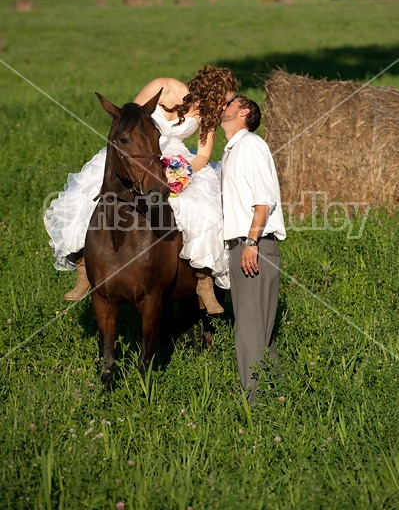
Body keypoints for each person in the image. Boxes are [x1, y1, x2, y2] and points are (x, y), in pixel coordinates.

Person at [44, 65, 238, 314]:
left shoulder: (207, 115)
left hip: (175, 161)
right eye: (225, 100)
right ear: (213, 91)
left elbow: (202, 156)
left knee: (201, 210)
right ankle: (84, 269)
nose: (224, 108)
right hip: (137, 153)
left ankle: (203, 280)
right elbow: (128, 122)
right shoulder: (164, 86)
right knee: (90, 196)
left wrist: (181, 172)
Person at [220, 94, 286, 404]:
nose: (224, 105)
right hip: (241, 247)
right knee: (258, 331)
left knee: (249, 329)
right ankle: (278, 399)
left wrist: (251, 242)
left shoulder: (251, 145)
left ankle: (252, 406)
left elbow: (264, 200)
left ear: (244, 112)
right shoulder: (232, 150)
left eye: (230, 102)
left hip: (254, 247)